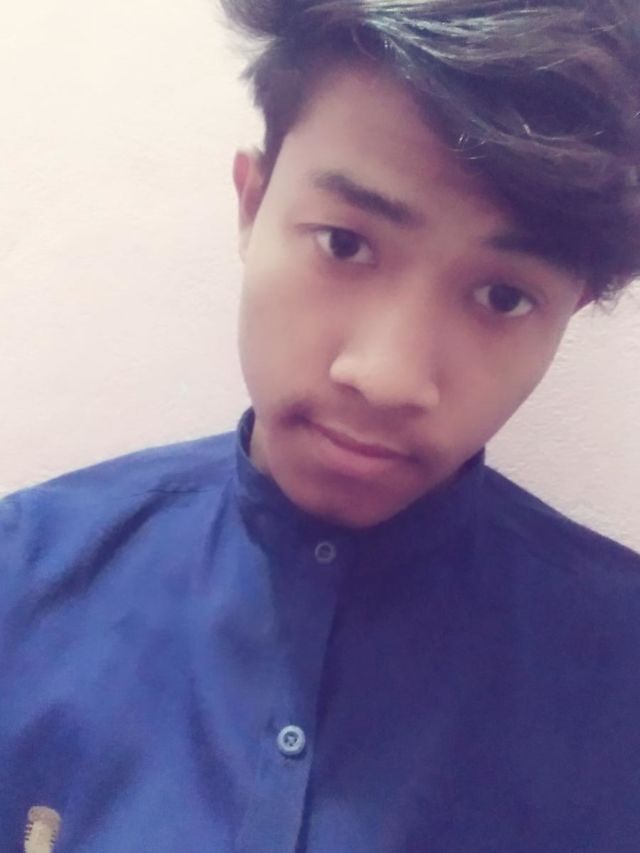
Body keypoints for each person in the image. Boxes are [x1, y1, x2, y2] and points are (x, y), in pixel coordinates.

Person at [1, 0, 639, 849]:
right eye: (343, 243)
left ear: (572, 309)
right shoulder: (22, 582)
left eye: (502, 296)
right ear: (251, 202)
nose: (388, 377)